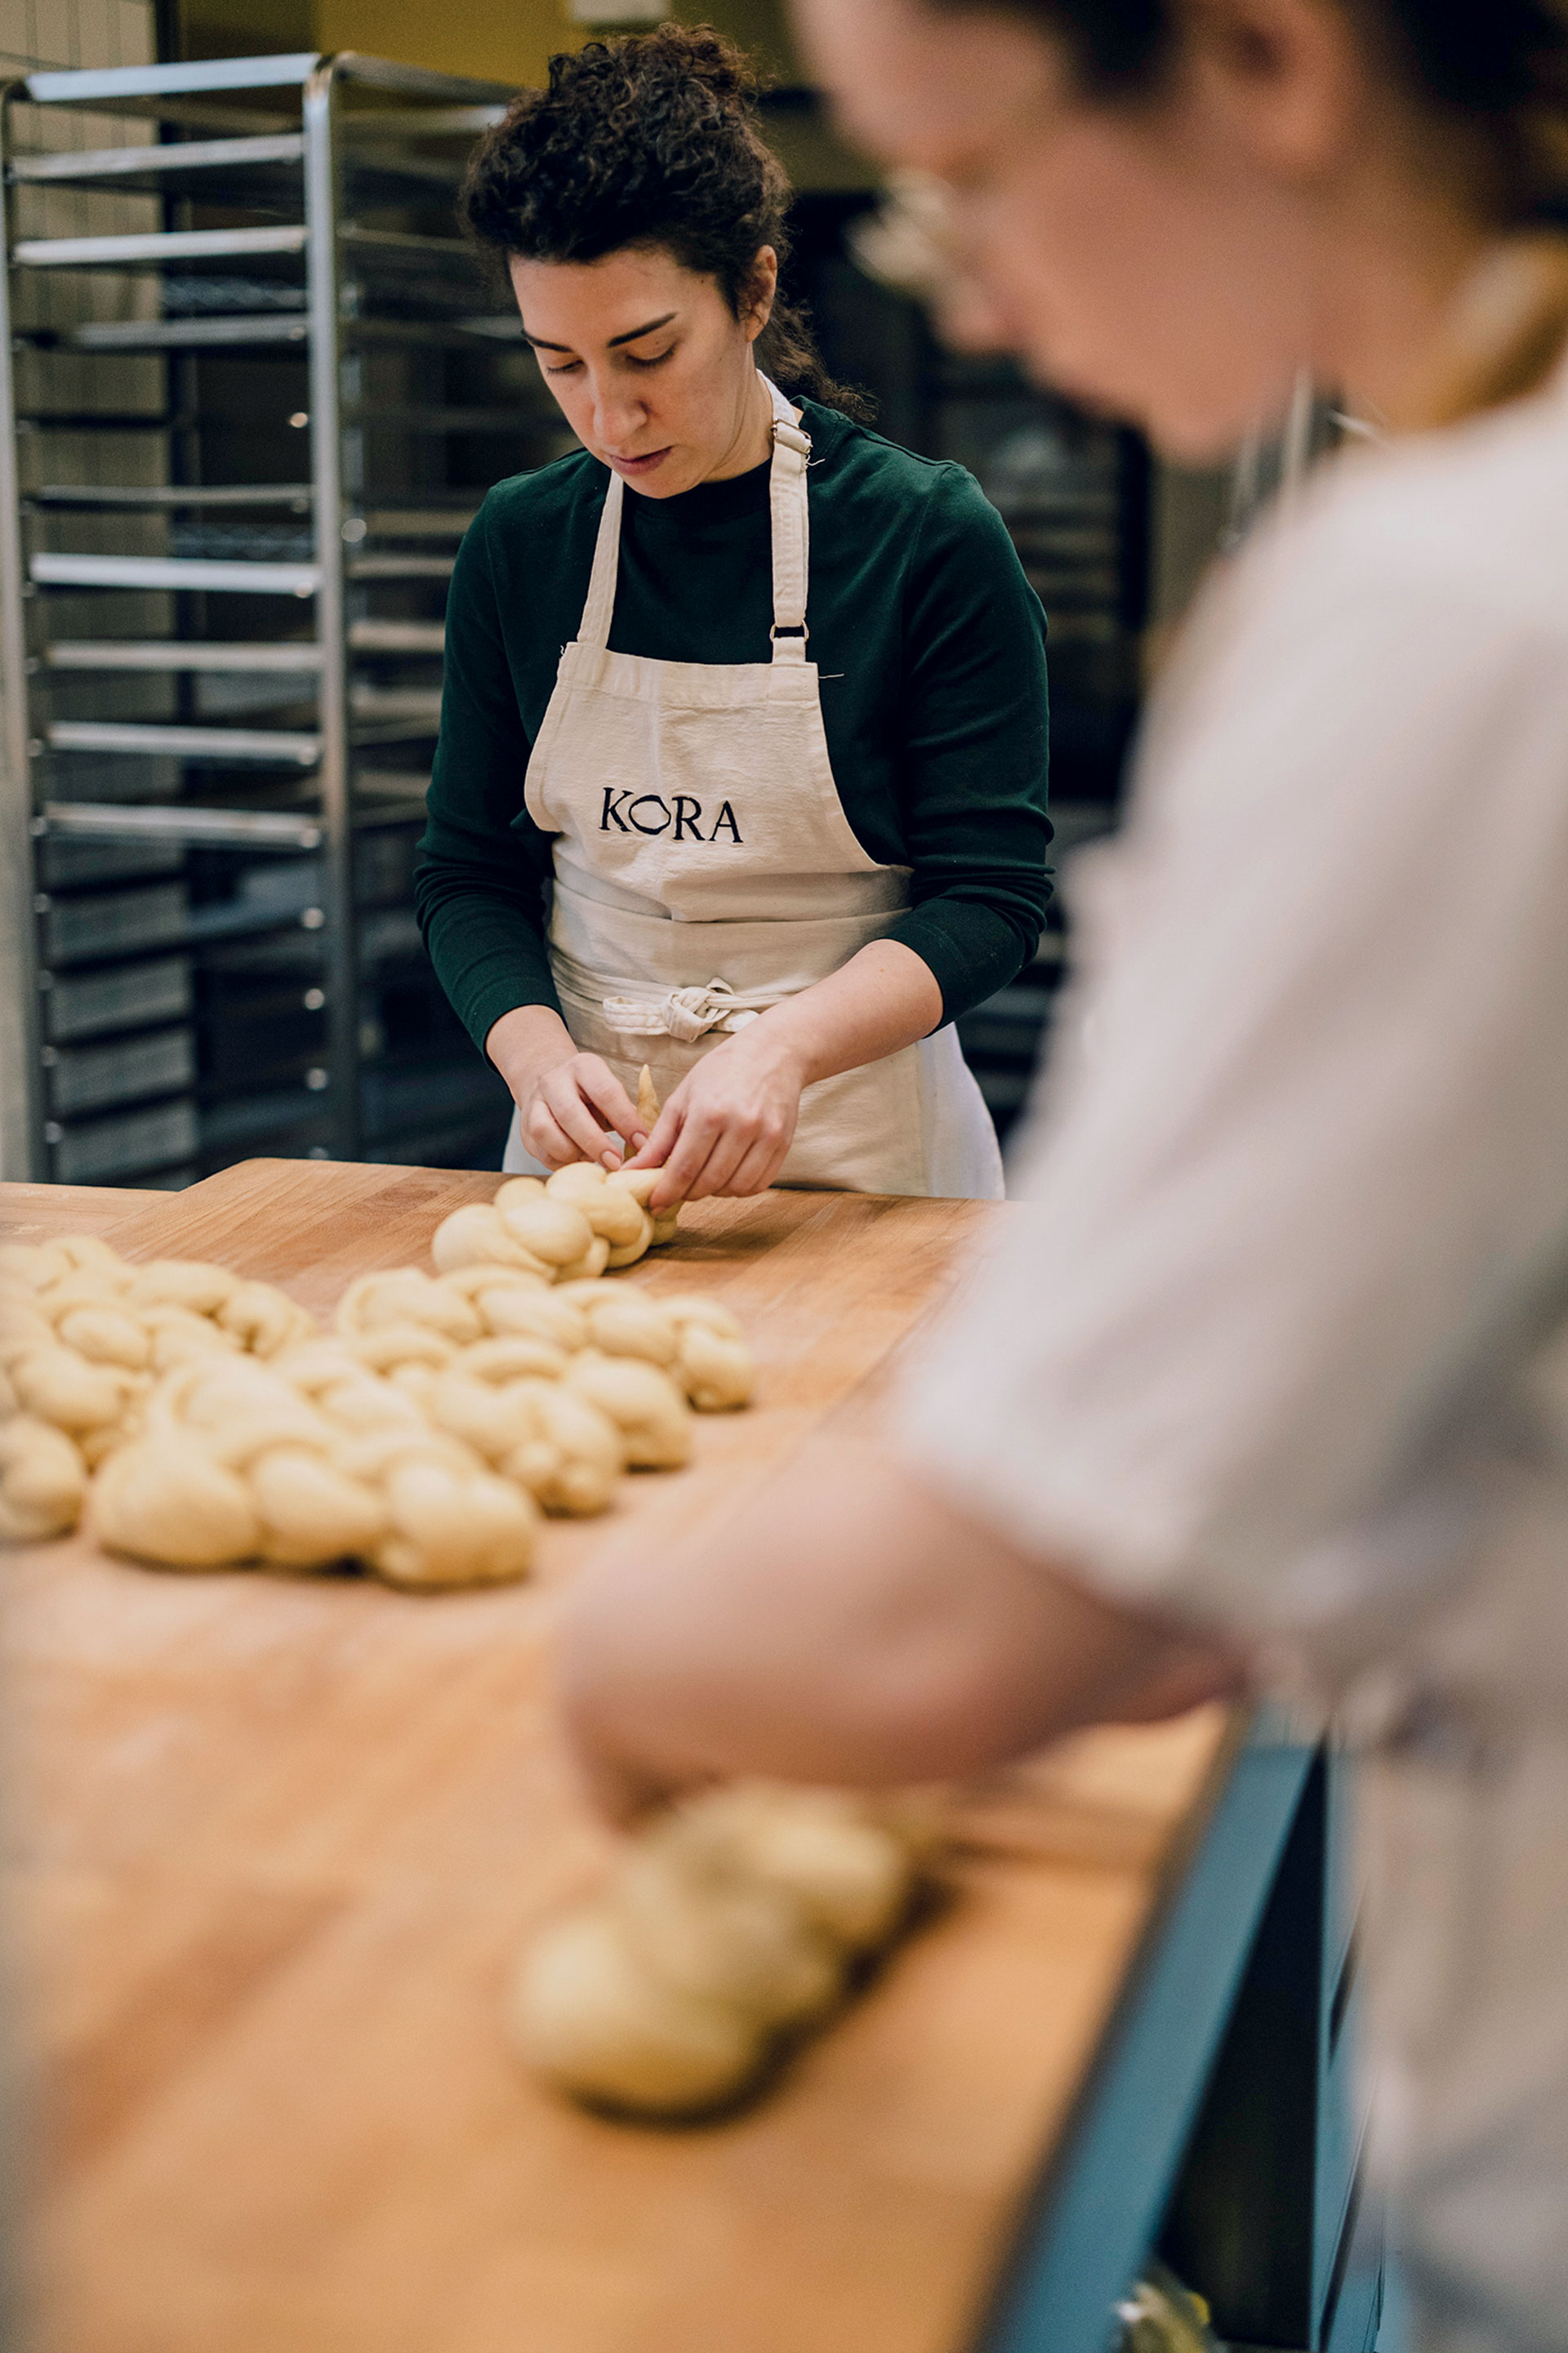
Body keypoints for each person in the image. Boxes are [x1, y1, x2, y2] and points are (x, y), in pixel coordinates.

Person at [555, 3, 1568, 2349]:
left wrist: (614, 1662)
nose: (976, 294)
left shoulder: (1450, 609)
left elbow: (978, 1613)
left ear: (1267, 60)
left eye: (972, 178)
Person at [413, 29, 1052, 1205]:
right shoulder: (522, 542)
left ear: (752, 290)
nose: (609, 417)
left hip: (862, 1150)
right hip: (586, 1155)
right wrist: (536, 1054)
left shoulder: (921, 536)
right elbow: (466, 871)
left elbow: (993, 897)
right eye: (560, 364)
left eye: (646, 352)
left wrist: (783, 1047)